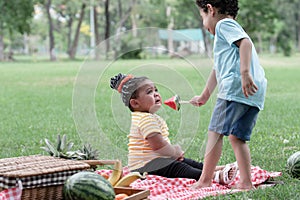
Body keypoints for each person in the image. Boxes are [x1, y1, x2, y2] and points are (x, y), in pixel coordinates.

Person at [190, 0, 267, 190]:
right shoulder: (228, 33)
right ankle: (246, 182)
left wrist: (244, 73)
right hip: (253, 92)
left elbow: (246, 44)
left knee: (215, 133)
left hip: (235, 88)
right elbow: (218, 69)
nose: (204, 23)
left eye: (202, 17)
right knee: (237, 137)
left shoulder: (224, 25)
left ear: (210, 10)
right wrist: (204, 96)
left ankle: (205, 180)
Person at [110, 73, 238, 184]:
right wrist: (174, 151)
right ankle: (214, 176)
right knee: (178, 168)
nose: (156, 94)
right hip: (144, 167)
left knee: (188, 162)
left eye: (156, 90)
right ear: (135, 103)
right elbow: (158, 146)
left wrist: (173, 154)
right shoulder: (146, 120)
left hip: (153, 161)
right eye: (149, 92)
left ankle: (215, 169)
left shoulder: (145, 116)